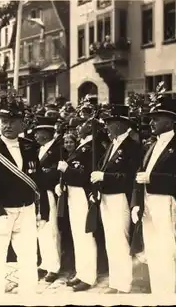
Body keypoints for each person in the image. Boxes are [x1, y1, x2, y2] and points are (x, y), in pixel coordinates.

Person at [0, 92, 50, 294]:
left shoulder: (29, 147)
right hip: (2, 212)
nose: (7, 125)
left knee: (28, 258)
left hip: (26, 210)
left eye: (12, 121)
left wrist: (43, 211)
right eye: (3, 121)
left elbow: (39, 182)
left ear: (22, 124)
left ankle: (28, 296)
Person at [130, 94, 176, 294]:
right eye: (151, 118)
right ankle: (157, 292)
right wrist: (136, 203)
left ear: (170, 121)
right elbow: (140, 175)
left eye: (157, 118)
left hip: (165, 200)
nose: (152, 122)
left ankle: (168, 293)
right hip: (147, 201)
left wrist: (152, 178)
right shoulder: (151, 145)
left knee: (166, 249)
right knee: (152, 249)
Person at [90, 105, 141, 293]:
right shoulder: (113, 144)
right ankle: (116, 281)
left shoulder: (132, 147)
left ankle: (125, 284)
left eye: (110, 123)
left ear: (120, 124)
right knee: (111, 241)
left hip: (120, 197)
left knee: (120, 240)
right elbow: (102, 167)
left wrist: (105, 177)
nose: (107, 127)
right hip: (106, 197)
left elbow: (130, 177)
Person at [56, 117, 103, 292]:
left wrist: (66, 170)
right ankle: (81, 272)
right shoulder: (83, 145)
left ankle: (89, 276)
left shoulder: (91, 148)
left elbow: (85, 175)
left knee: (85, 235)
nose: (78, 127)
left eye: (82, 124)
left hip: (82, 193)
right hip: (73, 193)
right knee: (77, 235)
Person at [34, 116, 62, 283]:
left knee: (51, 230)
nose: (36, 135)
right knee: (41, 229)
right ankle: (45, 262)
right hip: (39, 193)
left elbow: (56, 172)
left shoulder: (58, 149)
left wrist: (41, 175)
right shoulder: (39, 150)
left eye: (39, 132)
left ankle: (54, 267)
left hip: (50, 193)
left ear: (48, 132)